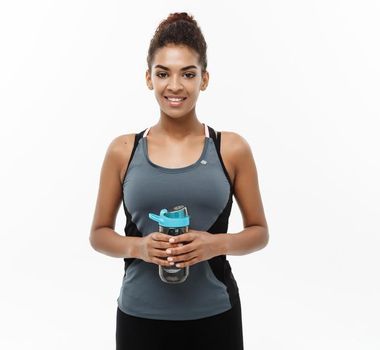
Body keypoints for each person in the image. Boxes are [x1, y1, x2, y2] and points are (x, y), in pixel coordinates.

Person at [89, 12, 269, 349]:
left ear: (204, 79)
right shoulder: (123, 150)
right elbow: (99, 235)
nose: (174, 86)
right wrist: (139, 247)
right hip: (139, 318)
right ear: (148, 78)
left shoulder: (230, 149)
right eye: (163, 73)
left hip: (215, 317)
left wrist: (215, 244)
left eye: (188, 74)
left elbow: (259, 232)